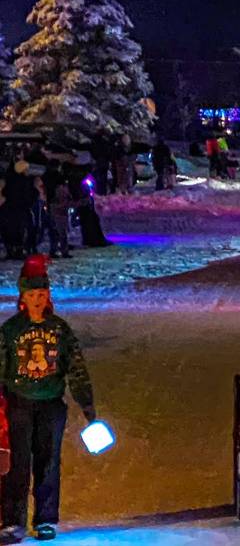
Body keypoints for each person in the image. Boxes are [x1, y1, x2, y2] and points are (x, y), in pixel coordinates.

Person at [0, 255, 96, 543]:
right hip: (19, 404)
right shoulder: (10, 331)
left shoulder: (60, 330)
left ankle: (45, 518)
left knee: (48, 461)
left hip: (51, 405)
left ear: (48, 296)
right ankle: (12, 520)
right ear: (23, 297)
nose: (37, 300)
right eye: (32, 294)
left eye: (42, 294)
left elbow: (75, 367)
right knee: (17, 465)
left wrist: (88, 406)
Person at [1, 161, 34, 261]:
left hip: (11, 208)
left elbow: (5, 192)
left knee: (11, 230)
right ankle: (17, 251)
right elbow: (27, 195)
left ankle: (11, 251)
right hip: (19, 209)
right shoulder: (23, 181)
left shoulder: (10, 180)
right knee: (19, 230)